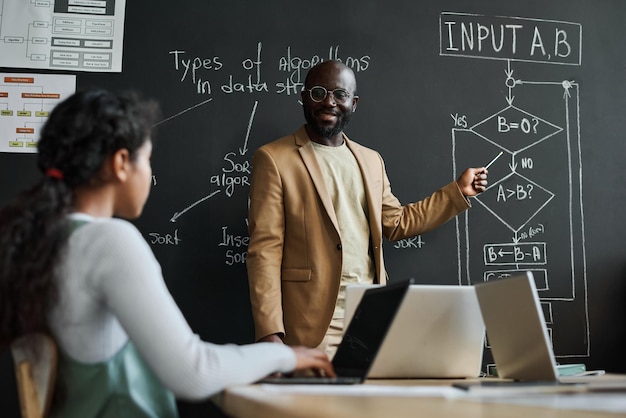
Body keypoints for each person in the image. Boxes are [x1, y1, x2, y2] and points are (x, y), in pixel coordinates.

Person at [0, 89, 334, 417]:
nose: (149, 172)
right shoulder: (108, 241)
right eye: (146, 159)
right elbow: (194, 372)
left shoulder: (43, 239)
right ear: (120, 163)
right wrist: (288, 357)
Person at [246, 60, 489, 357]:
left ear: (354, 102)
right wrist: (269, 331)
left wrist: (457, 193)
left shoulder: (371, 160)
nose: (329, 102)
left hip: (369, 319)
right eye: (319, 92)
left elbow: (397, 223)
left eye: (340, 94)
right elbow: (265, 249)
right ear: (304, 96)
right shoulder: (273, 158)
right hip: (311, 324)